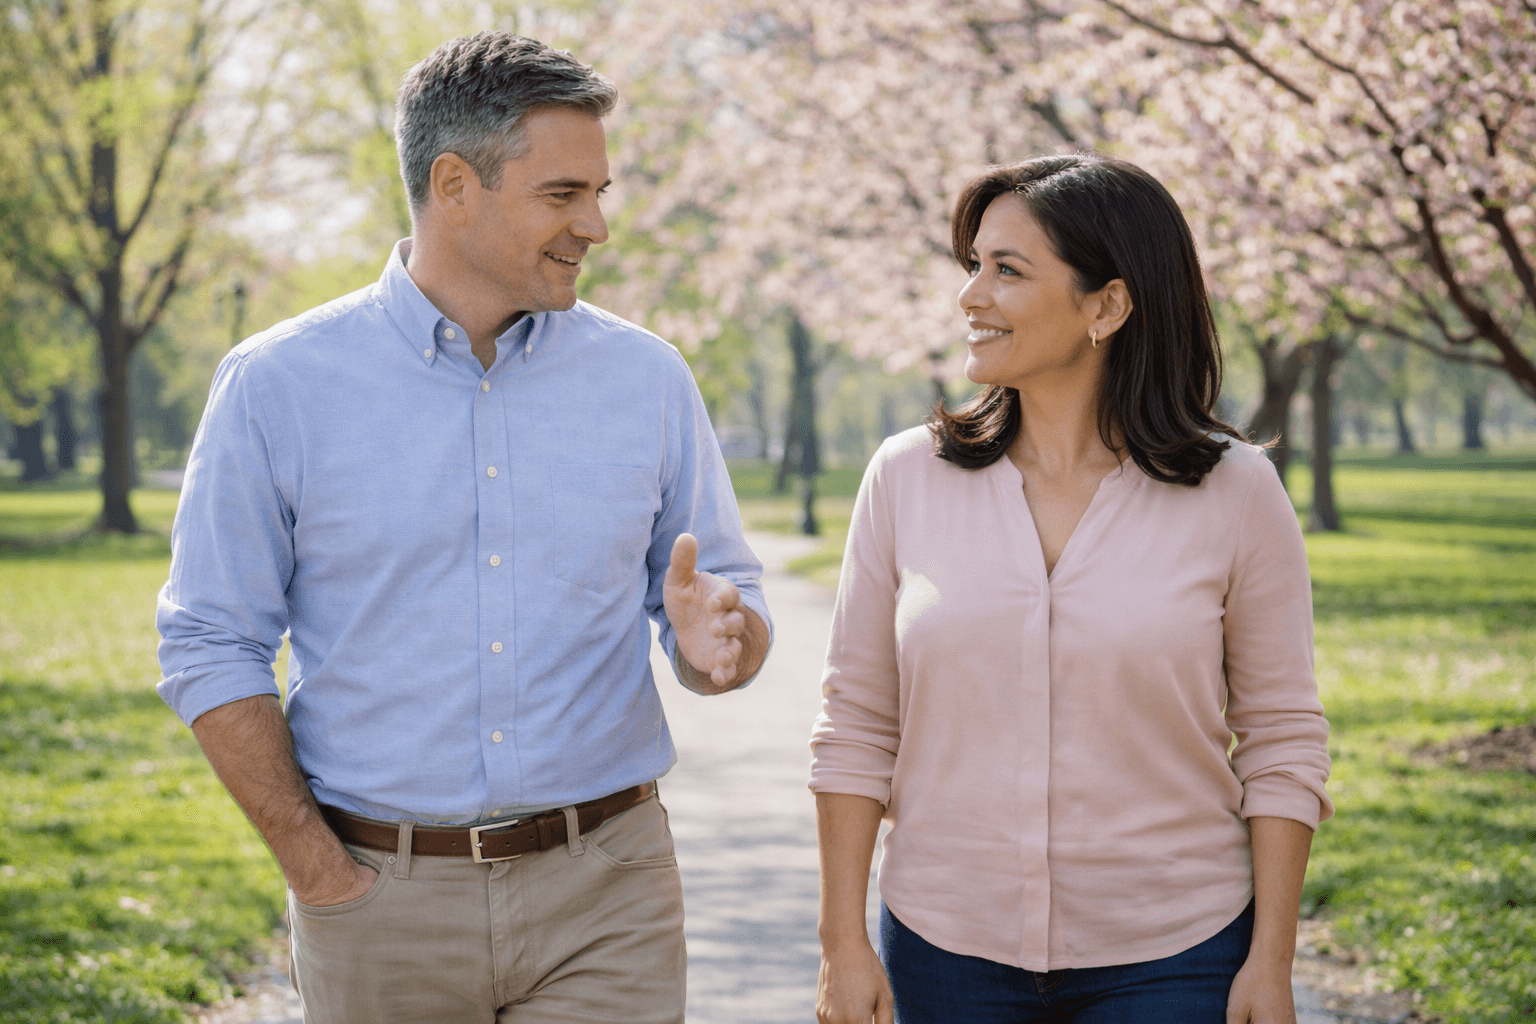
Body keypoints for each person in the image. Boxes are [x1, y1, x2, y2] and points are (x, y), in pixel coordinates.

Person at [156, 32, 771, 1024]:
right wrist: (318, 871)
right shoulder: (279, 387)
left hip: (608, 892)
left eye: (599, 192)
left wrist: (726, 645)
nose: (597, 227)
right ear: (454, 184)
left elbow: (724, 608)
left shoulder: (646, 379)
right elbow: (208, 641)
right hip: (381, 904)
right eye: (564, 195)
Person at [809, 153, 1332, 1024]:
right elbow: (857, 723)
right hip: (944, 949)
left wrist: (1270, 962)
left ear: (1108, 306)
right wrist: (841, 943)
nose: (970, 295)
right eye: (973, 264)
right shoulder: (906, 476)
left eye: (1007, 270)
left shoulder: (1236, 490)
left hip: (1176, 954)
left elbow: (1281, 738)